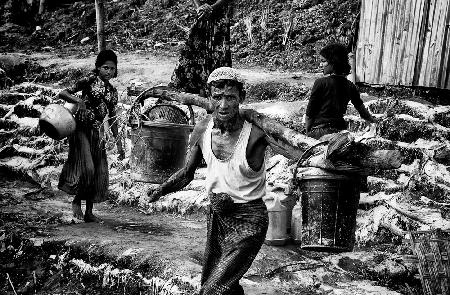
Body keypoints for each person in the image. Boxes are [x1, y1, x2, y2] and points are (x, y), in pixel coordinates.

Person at [148, 67, 269, 295]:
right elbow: (186, 173)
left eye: (230, 98)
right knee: (225, 286)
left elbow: (296, 151)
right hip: (217, 220)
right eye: (217, 97)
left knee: (213, 290)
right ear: (210, 97)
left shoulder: (256, 134)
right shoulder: (204, 128)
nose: (223, 105)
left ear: (241, 98)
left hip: (249, 221)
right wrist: (161, 190)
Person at [57, 49, 125, 223]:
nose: (108, 71)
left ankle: (89, 212)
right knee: (87, 168)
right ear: (97, 67)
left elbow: (113, 118)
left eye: (112, 68)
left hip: (98, 133)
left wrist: (118, 144)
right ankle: (76, 201)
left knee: (98, 172)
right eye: (105, 67)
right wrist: (79, 101)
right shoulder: (88, 80)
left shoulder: (112, 91)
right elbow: (63, 92)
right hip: (80, 130)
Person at [305, 43, 377, 140]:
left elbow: (310, 113)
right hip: (341, 130)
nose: (321, 65)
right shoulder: (350, 85)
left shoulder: (320, 82)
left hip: (321, 131)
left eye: (323, 61)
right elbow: (362, 111)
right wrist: (373, 121)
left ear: (333, 62)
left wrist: (307, 132)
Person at [169, 0, 234, 97]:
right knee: (194, 50)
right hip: (202, 15)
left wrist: (211, 8)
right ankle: (196, 88)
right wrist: (200, 8)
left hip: (219, 14)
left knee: (218, 53)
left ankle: (216, 89)